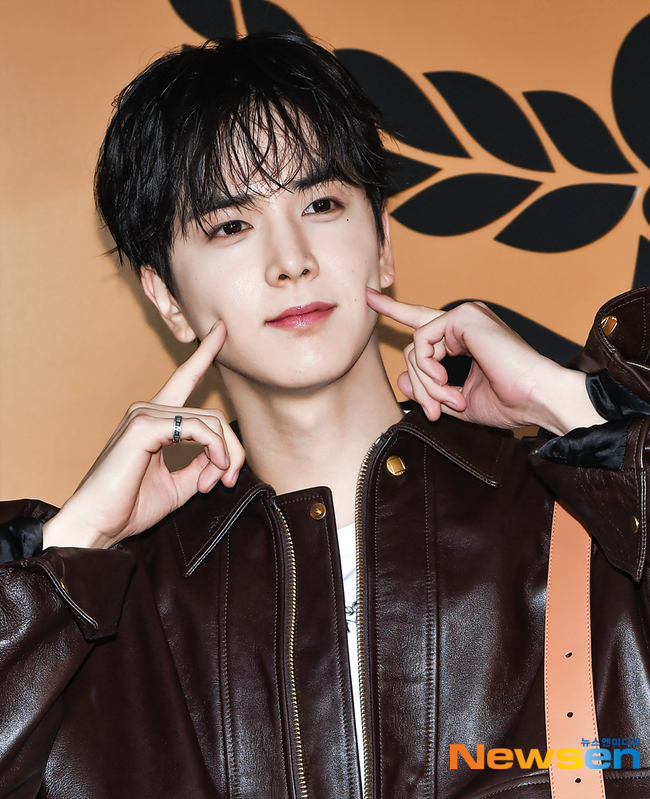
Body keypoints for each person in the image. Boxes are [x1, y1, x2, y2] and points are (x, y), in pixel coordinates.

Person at [0, 32, 649, 799]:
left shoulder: (582, 519)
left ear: (382, 242)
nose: (291, 260)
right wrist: (71, 548)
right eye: (230, 225)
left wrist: (574, 407)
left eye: (321, 203)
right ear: (166, 297)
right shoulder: (108, 615)